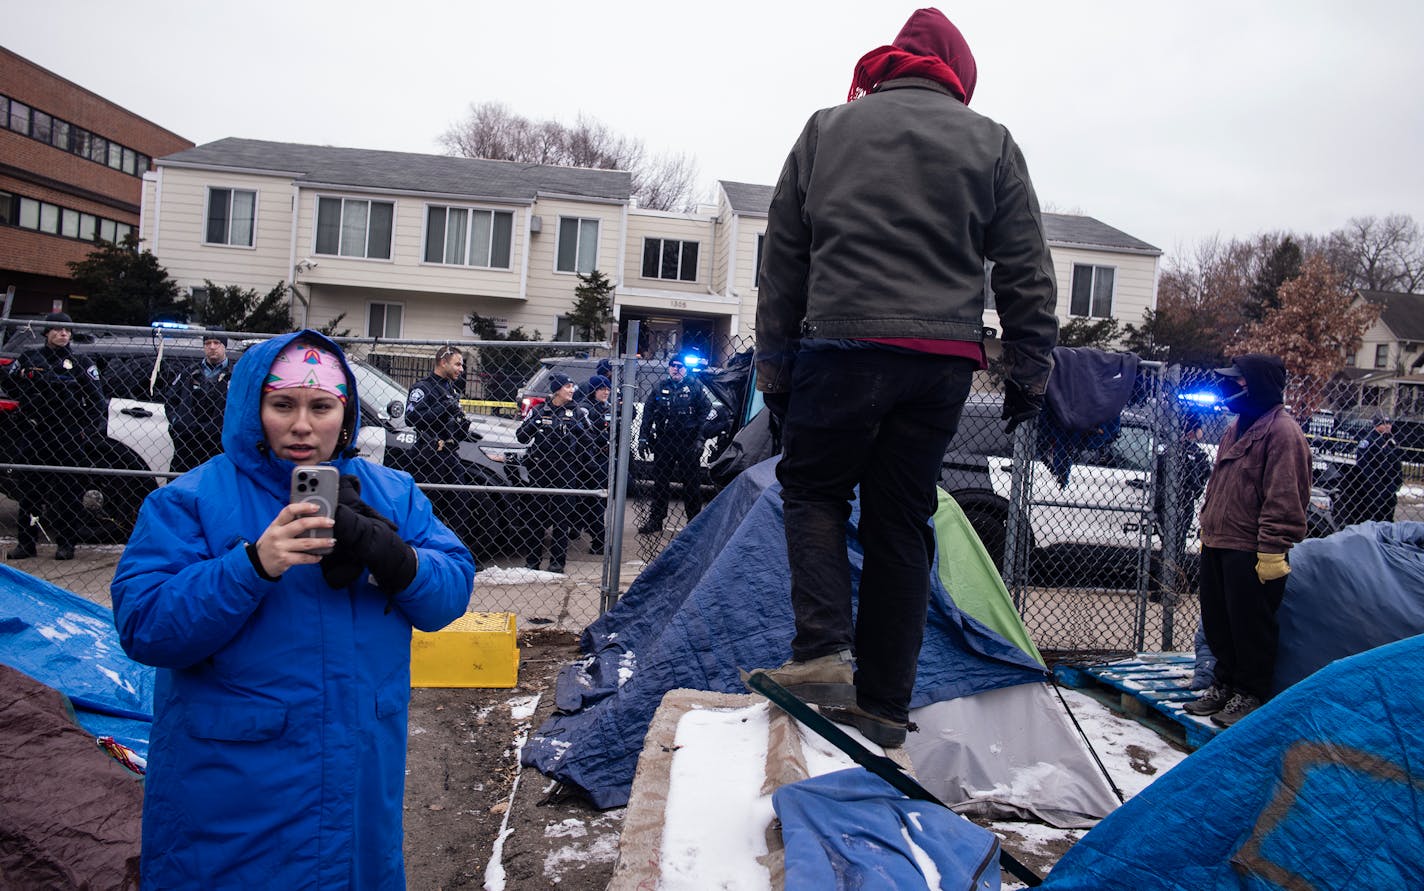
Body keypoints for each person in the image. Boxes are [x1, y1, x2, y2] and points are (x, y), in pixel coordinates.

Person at [745, 8, 1058, 748]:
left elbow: (784, 262)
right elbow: (1025, 269)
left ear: (893, 62)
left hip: (841, 346)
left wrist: (776, 374)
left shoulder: (826, 129)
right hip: (941, 363)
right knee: (901, 520)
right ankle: (885, 703)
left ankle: (822, 650)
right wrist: (1030, 372)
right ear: (957, 74)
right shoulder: (992, 143)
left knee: (815, 488)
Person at [110, 331, 475, 888]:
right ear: (254, 409)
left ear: (344, 413)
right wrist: (252, 566)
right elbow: (145, 625)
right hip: (234, 794)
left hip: (358, 784)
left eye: (321, 406)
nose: (302, 425)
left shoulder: (392, 493)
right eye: (283, 405)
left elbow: (451, 590)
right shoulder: (189, 499)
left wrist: (396, 560)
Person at [1184, 354, 1311, 728]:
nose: (1229, 387)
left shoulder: (1283, 433)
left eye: (1237, 381)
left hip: (1252, 550)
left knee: (1250, 626)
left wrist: (1272, 550)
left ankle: (1249, 692)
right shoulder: (1236, 426)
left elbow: (1286, 497)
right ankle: (1224, 684)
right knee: (1219, 621)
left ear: (1258, 385)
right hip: (1218, 541)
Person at [6, 311, 106, 561]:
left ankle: (66, 544)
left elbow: (96, 402)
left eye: (67, 330)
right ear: (47, 332)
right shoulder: (30, 358)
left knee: (67, 494)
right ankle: (26, 544)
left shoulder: (81, 363)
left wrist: (86, 430)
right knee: (30, 493)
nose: (63, 334)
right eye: (58, 330)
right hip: (35, 432)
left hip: (67, 435)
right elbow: (9, 382)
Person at [518, 373, 593, 573]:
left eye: (572, 386)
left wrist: (578, 431)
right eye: (568, 386)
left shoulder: (577, 412)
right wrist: (537, 423)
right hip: (541, 470)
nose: (571, 390)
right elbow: (521, 437)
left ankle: (557, 564)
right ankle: (532, 562)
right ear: (557, 389)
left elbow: (590, 443)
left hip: (565, 471)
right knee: (536, 518)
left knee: (562, 519)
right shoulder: (540, 410)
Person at [638, 356, 715, 534]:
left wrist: (699, 439)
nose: (676, 369)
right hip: (664, 441)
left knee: (691, 483)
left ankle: (694, 523)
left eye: (680, 367)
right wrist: (643, 438)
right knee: (660, 483)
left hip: (688, 441)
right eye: (673, 366)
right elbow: (648, 414)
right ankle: (656, 521)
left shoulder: (695, 387)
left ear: (685, 369)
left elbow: (706, 414)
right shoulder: (660, 386)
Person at [405, 345, 472, 529]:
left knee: (460, 507)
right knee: (429, 509)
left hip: (451, 456)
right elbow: (411, 418)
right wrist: (444, 408)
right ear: (443, 362)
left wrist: (462, 426)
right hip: (429, 458)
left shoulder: (451, 390)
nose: (461, 369)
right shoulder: (422, 388)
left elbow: (451, 425)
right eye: (457, 364)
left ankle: (455, 551)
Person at [166, 333, 233, 473]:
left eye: (217, 343)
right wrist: (177, 421)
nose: (212, 347)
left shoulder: (235, 374)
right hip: (187, 443)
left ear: (224, 346)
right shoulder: (189, 372)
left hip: (219, 443)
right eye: (208, 343)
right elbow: (170, 399)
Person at [1334, 412, 1403, 526]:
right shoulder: (1368, 440)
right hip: (1373, 489)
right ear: (1377, 425)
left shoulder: (1390, 442)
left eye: (1390, 423)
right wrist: (1374, 483)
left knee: (1387, 519)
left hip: (1389, 488)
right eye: (1385, 423)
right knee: (1372, 519)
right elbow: (1363, 465)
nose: (1388, 426)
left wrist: (1397, 482)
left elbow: (1396, 464)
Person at [577, 374, 614, 554]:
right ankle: (599, 539)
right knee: (593, 502)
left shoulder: (607, 407)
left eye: (608, 389)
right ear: (594, 390)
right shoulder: (586, 408)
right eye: (602, 389)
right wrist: (602, 440)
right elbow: (588, 434)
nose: (606, 392)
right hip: (589, 461)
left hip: (603, 461)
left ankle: (597, 537)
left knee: (597, 501)